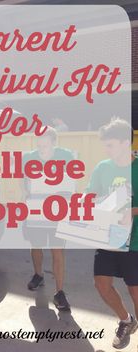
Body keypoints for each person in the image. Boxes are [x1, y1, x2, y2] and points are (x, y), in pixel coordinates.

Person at [86, 118, 138, 349]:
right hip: (107, 238)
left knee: (135, 289)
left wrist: (132, 211)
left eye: (111, 145)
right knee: (101, 284)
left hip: (135, 241)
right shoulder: (102, 167)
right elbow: (91, 195)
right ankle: (126, 320)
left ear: (126, 143)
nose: (106, 150)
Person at [22, 127, 73, 311]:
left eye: (45, 144)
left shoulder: (66, 156)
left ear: (54, 142)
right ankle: (38, 274)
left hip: (57, 209)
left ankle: (59, 292)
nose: (41, 147)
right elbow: (25, 183)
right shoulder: (28, 157)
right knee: (35, 246)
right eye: (39, 144)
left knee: (57, 250)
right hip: (35, 208)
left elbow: (70, 181)